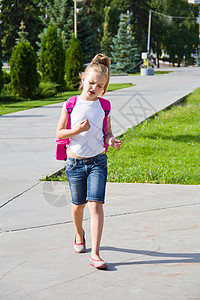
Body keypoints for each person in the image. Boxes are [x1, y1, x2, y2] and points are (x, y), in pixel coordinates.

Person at [56, 53, 121, 269]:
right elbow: (60, 133)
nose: (94, 88)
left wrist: (111, 140)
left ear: (104, 88)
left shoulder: (105, 106)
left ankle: (95, 253)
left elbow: (107, 132)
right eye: (91, 82)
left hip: (98, 162)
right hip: (74, 163)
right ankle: (78, 233)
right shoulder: (71, 104)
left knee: (95, 204)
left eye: (99, 86)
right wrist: (76, 130)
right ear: (83, 79)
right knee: (78, 206)